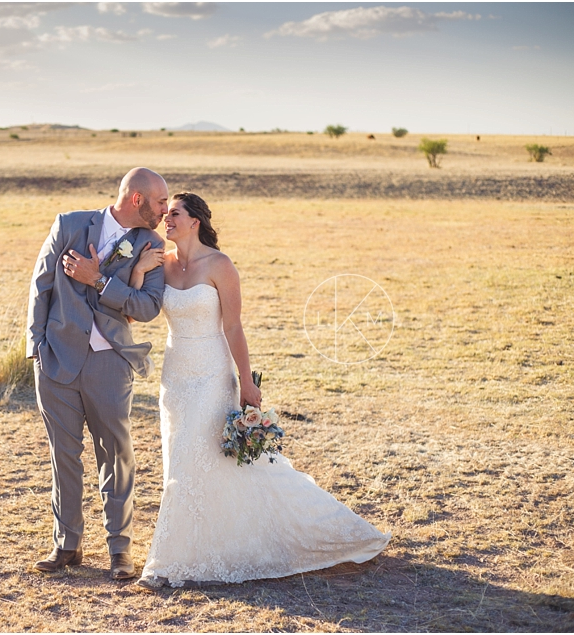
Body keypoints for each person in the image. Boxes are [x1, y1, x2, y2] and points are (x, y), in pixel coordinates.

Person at [127, 192, 390, 589]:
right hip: (175, 376)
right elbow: (135, 311)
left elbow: (233, 327)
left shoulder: (220, 265)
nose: (167, 219)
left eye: (175, 213)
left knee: (191, 459)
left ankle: (165, 565)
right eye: (168, 215)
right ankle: (204, 545)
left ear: (195, 221)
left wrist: (246, 380)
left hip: (212, 375)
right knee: (186, 463)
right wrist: (137, 272)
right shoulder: (159, 263)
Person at [26, 167, 169, 580]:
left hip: (110, 363)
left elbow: (147, 308)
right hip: (56, 362)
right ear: (137, 199)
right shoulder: (70, 225)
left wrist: (100, 279)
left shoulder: (151, 245)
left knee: (116, 456)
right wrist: (35, 346)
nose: (165, 210)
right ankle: (66, 544)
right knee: (63, 456)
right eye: (161, 202)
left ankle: (119, 551)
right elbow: (41, 286)